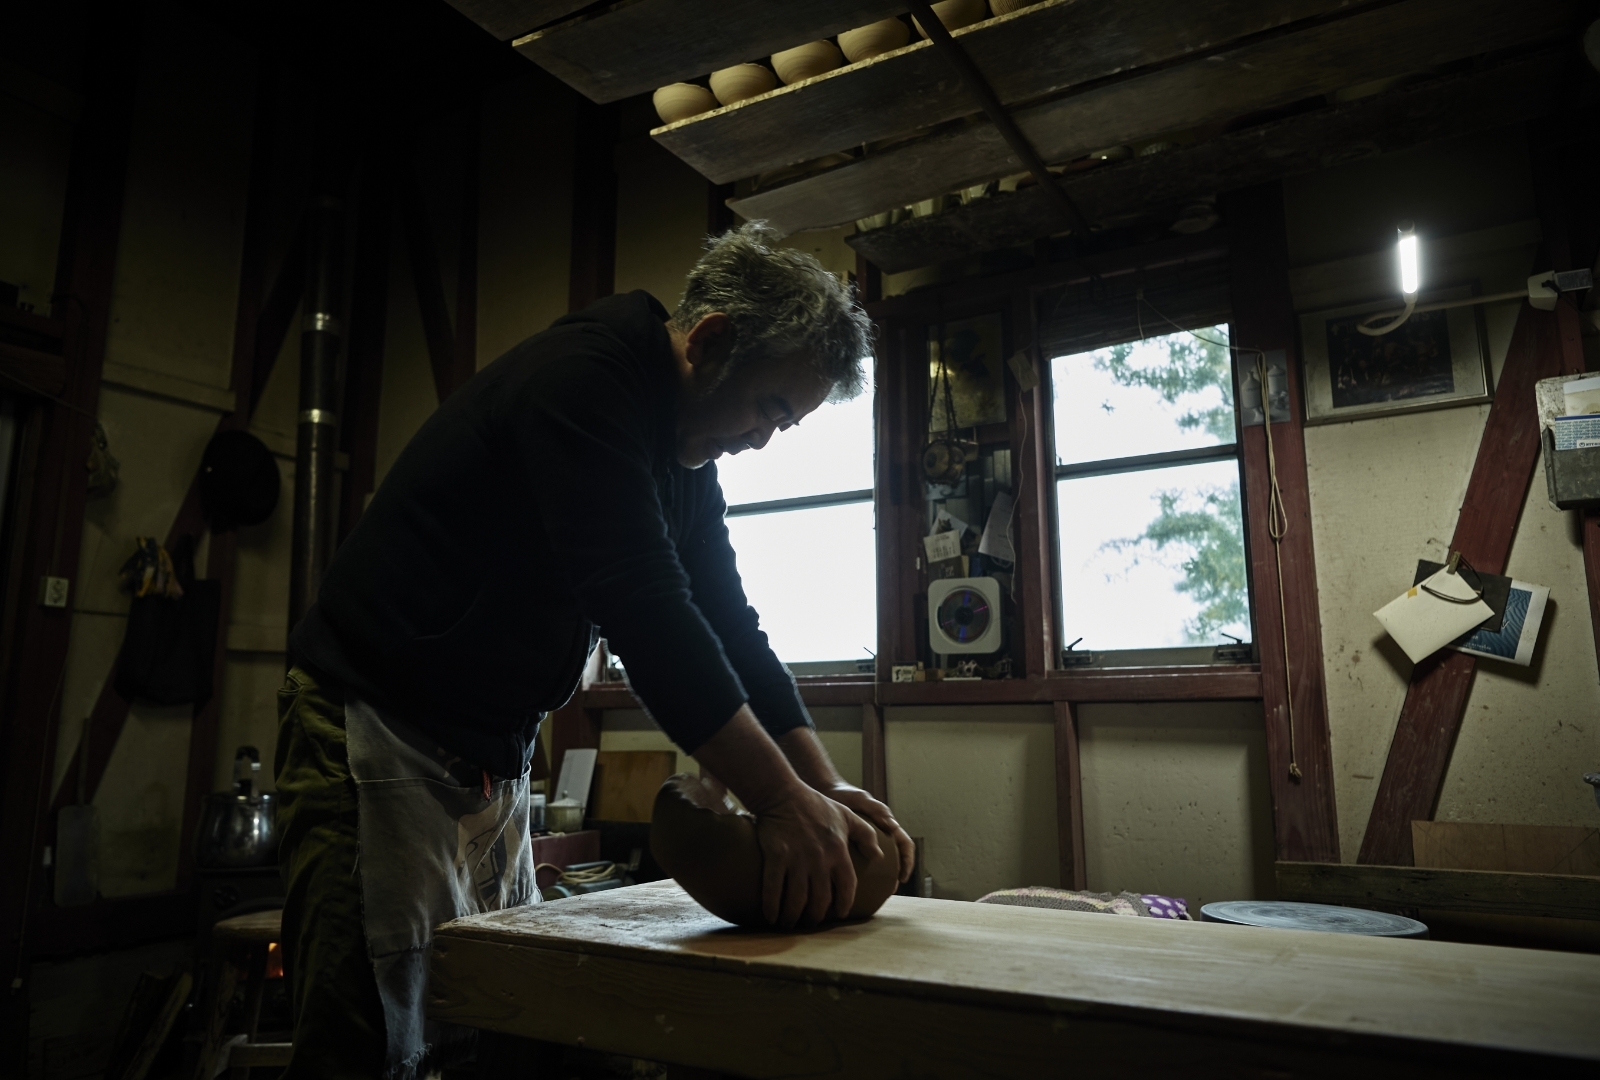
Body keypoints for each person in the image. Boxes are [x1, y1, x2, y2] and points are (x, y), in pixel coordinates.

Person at [274, 222, 916, 1079]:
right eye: (768, 409)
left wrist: (821, 785)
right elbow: (645, 610)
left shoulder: (685, 465)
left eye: (785, 425)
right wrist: (777, 800)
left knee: (487, 1018)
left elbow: (731, 629)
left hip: (483, 761)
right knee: (368, 1039)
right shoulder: (583, 382)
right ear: (710, 341)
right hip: (373, 728)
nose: (763, 440)